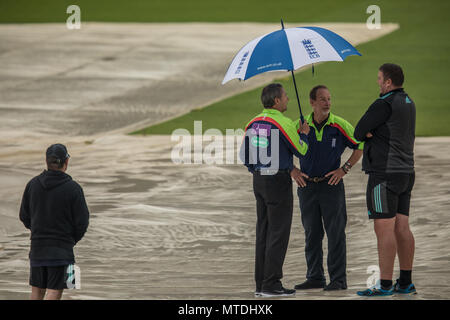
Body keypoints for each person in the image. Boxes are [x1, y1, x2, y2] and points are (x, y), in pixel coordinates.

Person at [240, 83, 310, 297]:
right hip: (277, 182)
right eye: (285, 96)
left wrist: (259, 171)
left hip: (259, 181)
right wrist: (304, 133)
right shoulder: (283, 122)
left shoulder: (252, 123)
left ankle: (261, 285)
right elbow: (301, 150)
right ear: (277, 101)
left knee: (264, 232)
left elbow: (245, 157)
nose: (288, 99)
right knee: (278, 233)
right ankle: (272, 284)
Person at [292, 85, 363, 291]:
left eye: (329, 99)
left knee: (336, 233)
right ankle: (315, 277)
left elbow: (359, 146)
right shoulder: (299, 126)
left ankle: (338, 279)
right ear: (312, 102)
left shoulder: (339, 125)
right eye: (322, 99)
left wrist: (344, 169)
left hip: (332, 186)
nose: (327, 103)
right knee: (312, 233)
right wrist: (293, 171)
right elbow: (283, 148)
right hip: (306, 187)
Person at [354, 63, 416, 296]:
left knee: (384, 230)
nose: (378, 82)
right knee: (402, 227)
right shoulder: (409, 102)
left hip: (384, 176)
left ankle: (386, 285)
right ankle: (406, 282)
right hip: (406, 173)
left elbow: (359, 131)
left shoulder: (384, 103)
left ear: (388, 82)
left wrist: (372, 132)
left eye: (380, 79)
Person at [19, 143, 90, 300]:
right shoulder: (74, 188)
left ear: (47, 162)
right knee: (55, 291)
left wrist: (38, 231)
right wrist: (70, 240)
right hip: (62, 251)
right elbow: (82, 223)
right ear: (66, 162)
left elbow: (24, 216)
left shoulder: (32, 185)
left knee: (36, 291)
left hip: (37, 249)